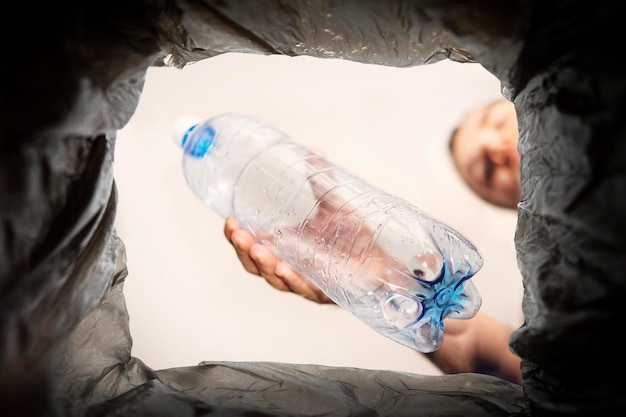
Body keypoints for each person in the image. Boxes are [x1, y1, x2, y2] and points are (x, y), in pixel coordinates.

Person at [222, 97, 523, 384]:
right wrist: (378, 282)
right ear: (508, 205)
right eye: (487, 170)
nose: (494, 146)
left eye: (499, 122)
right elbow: (503, 364)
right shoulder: (555, 302)